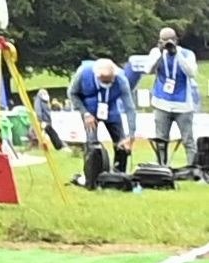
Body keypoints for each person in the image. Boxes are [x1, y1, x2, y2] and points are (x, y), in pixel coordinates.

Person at [67, 57, 135, 176]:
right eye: (104, 81)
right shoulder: (83, 73)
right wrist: (85, 113)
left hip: (111, 109)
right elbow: (72, 94)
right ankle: (92, 175)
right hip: (90, 111)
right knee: (92, 145)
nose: (107, 84)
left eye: (110, 81)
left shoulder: (121, 80)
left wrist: (131, 134)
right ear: (97, 76)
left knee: (121, 143)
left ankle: (119, 175)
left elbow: (130, 107)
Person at [143, 26, 198, 169]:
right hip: (161, 102)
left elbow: (191, 73)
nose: (168, 43)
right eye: (164, 40)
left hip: (183, 104)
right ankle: (162, 168)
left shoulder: (187, 54)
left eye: (171, 40)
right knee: (161, 140)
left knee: (188, 140)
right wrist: (160, 53)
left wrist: (176, 53)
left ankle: (192, 169)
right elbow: (147, 70)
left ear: (176, 40)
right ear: (159, 41)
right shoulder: (156, 53)